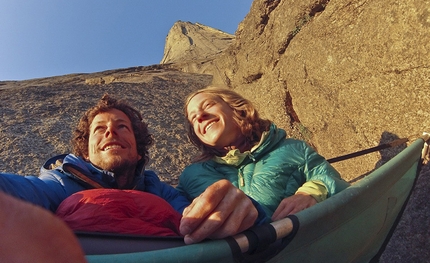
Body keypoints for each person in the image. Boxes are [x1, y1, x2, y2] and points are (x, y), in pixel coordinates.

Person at [0, 94, 263, 249]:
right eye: (99, 129)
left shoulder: (159, 191)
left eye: (121, 126)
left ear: (138, 151)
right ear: (86, 153)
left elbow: (191, 217)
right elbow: (21, 192)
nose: (110, 131)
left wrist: (233, 210)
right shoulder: (59, 182)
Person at [177, 86, 350, 222]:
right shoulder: (190, 176)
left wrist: (311, 194)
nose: (199, 116)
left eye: (207, 105)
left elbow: (334, 181)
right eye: (193, 118)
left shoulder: (294, 149)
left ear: (235, 107)